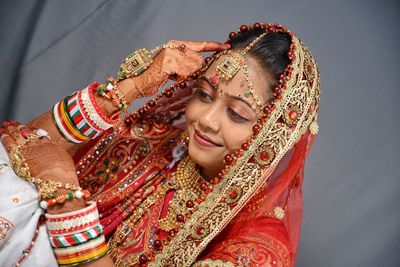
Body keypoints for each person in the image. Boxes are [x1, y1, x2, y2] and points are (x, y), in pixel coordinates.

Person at [0, 22, 320, 267]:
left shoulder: (260, 247)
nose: (206, 119)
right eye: (204, 95)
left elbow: (49, 174)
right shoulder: (160, 144)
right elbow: (27, 148)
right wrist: (134, 85)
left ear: (274, 134)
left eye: (236, 113)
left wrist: (66, 199)